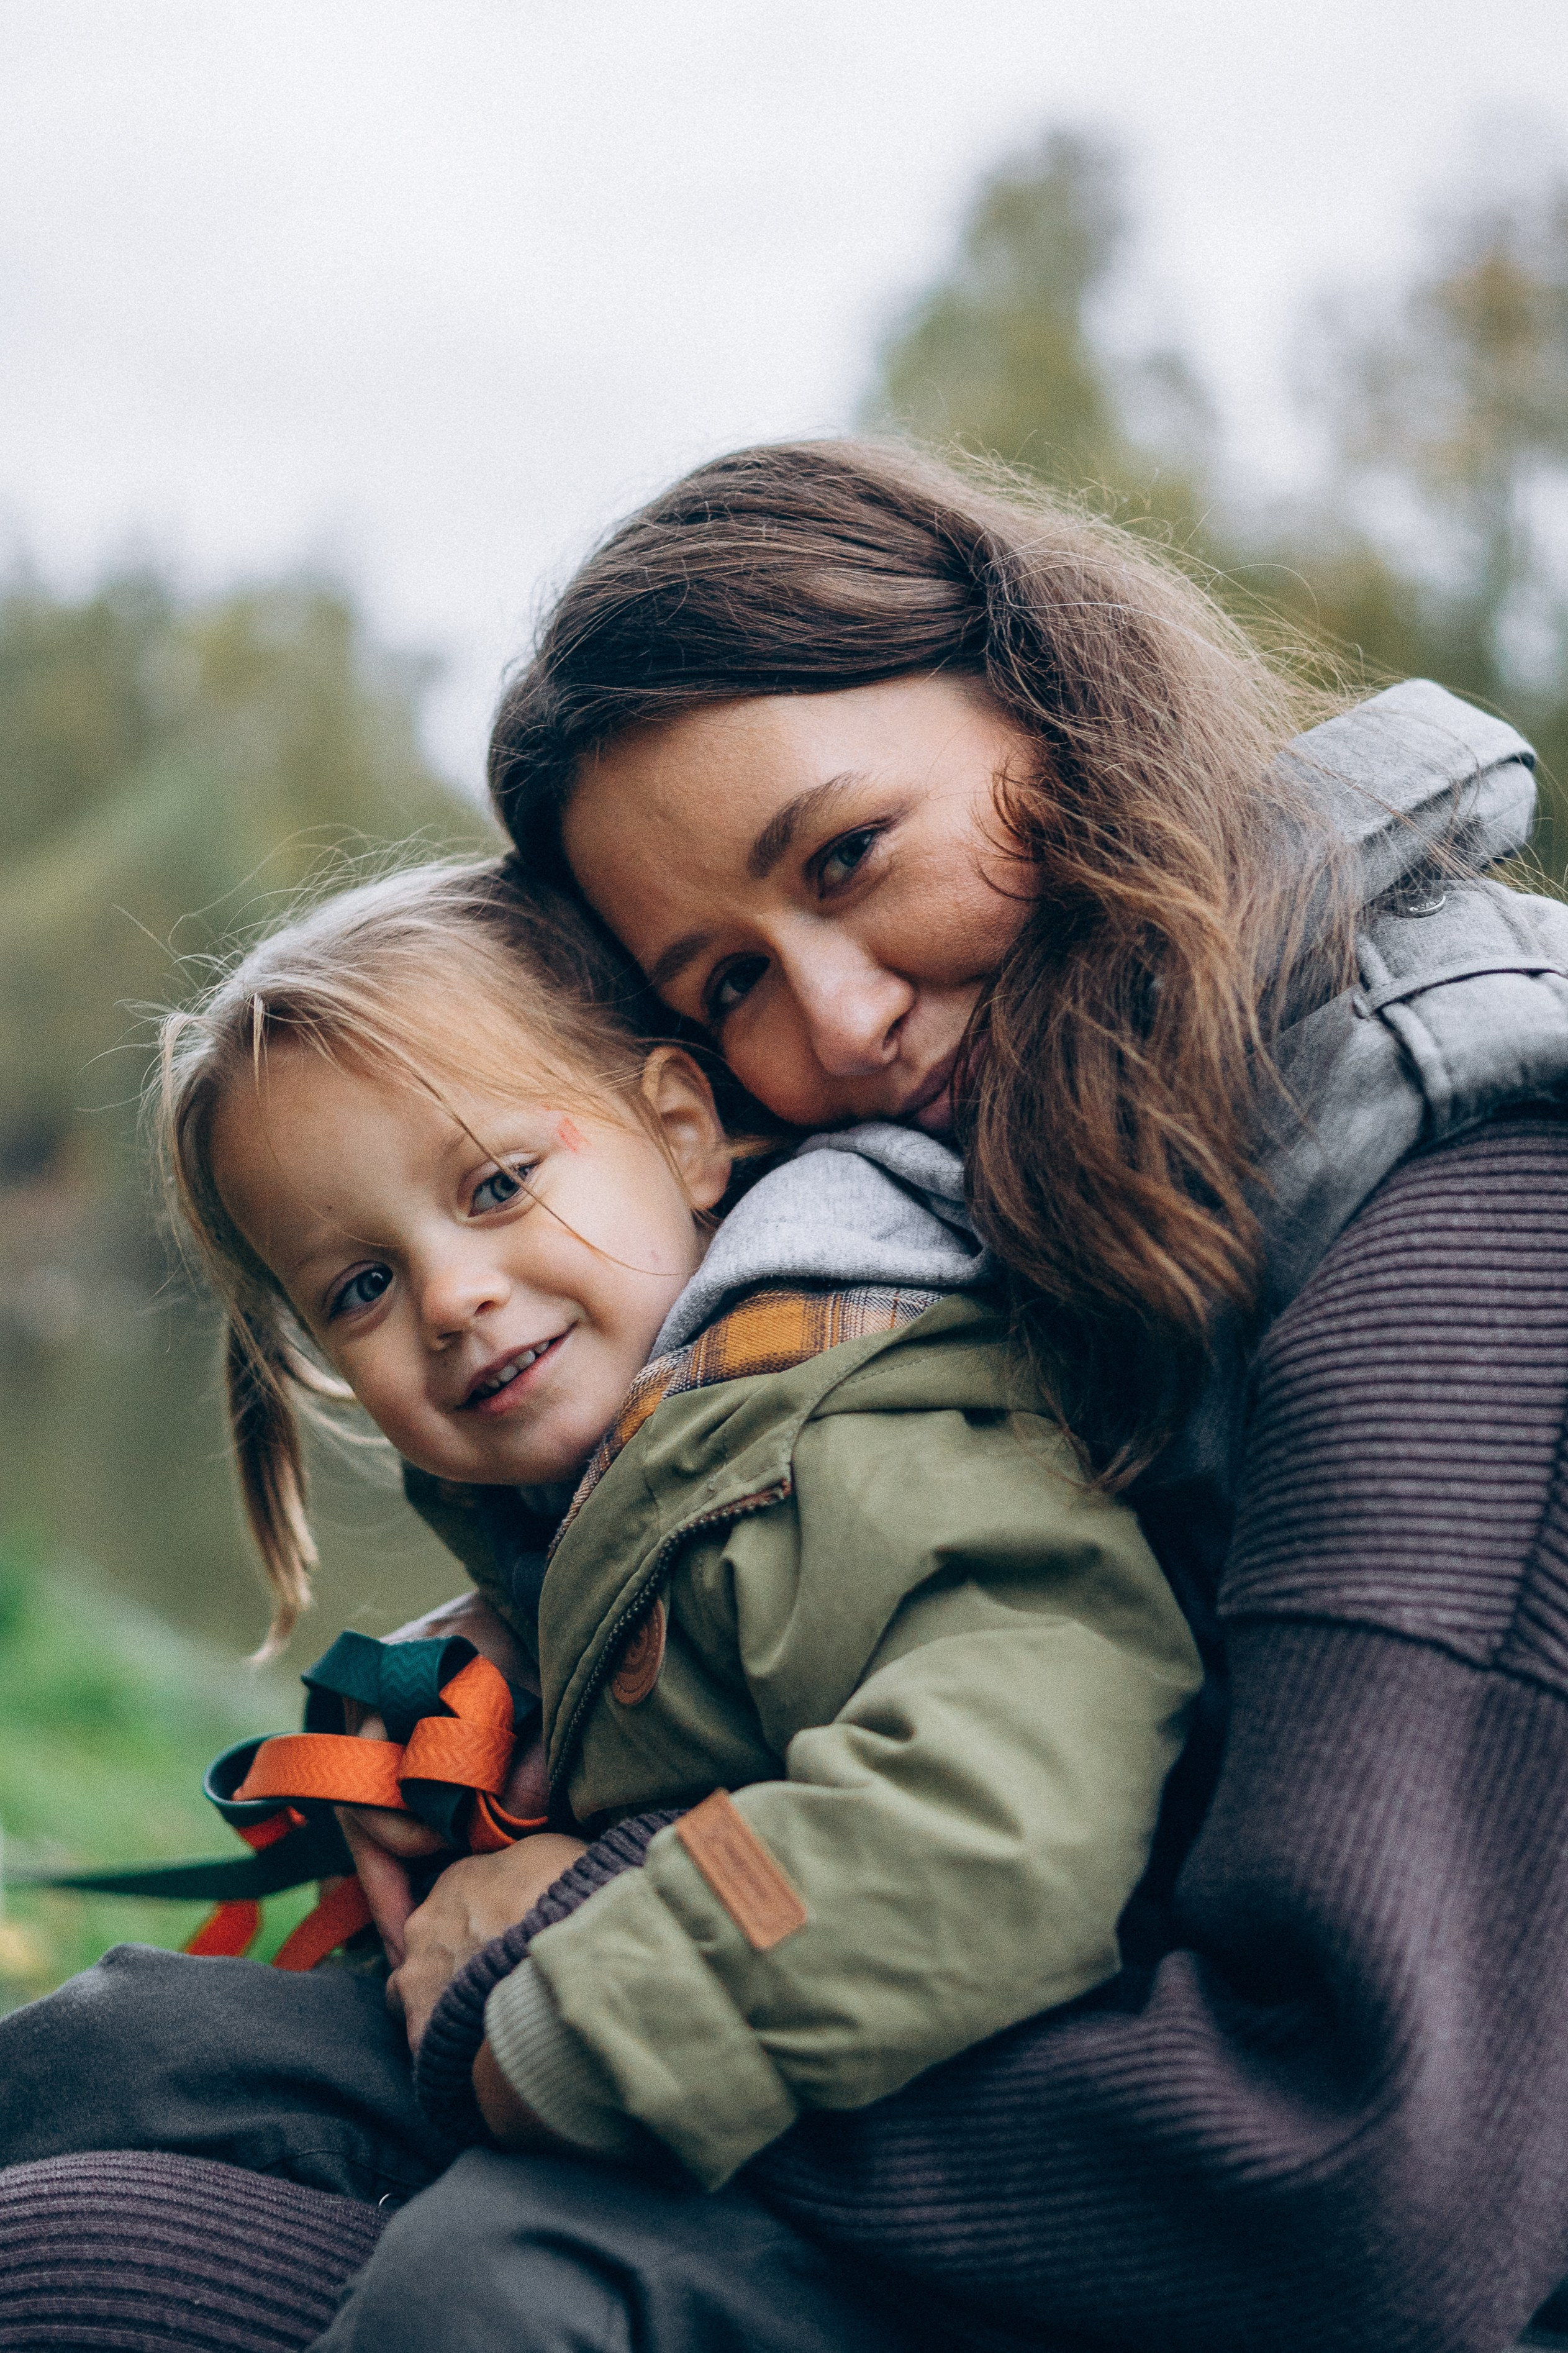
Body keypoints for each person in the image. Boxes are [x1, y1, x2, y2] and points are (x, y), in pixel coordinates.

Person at [6, 434, 1568, 2353]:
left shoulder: (1466, 1215)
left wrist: (561, 1960)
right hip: (875, 2049)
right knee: (96, 2089)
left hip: (1205, 2224)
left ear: (1061, 704)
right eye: (725, 981)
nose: (835, 1021)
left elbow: (1352, 2179)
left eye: (848, 856)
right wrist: (553, 1642)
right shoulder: (1047, 1138)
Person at [0, 845, 1199, 2347]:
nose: (451, 1296)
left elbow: (1006, 1811)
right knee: (111, 2044)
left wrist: (570, 2012)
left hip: (856, 2132)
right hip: (616, 2022)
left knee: (476, 2293)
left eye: (499, 1185)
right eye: (360, 1286)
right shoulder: (638, 1474)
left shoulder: (871, 1430)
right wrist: (495, 1661)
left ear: (683, 1132)